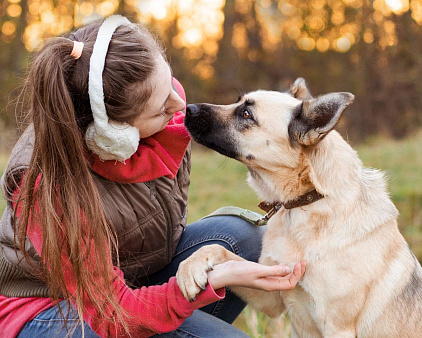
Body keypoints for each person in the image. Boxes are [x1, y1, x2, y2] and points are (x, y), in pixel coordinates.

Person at [0, 15, 306, 337]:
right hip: (48, 306)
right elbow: (115, 314)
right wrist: (215, 277)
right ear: (114, 134)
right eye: (161, 108)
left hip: (128, 281)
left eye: (170, 82)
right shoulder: (46, 186)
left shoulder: (164, 110)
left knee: (238, 236)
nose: (179, 105)